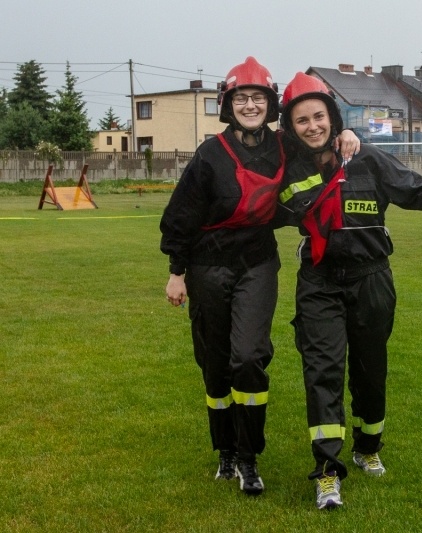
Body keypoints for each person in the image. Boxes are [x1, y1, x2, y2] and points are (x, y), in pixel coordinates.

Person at [277, 72, 422, 510]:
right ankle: (326, 471)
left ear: (333, 118)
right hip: (318, 282)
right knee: (323, 373)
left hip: (372, 278)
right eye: (302, 120)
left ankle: (368, 446)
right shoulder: (285, 170)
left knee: (371, 370)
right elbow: (247, 200)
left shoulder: (369, 159)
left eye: (319, 116)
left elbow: (418, 190)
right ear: (291, 128)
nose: (313, 126)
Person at [159, 57, 359, 496]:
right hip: (206, 265)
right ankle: (225, 451)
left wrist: (347, 133)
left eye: (259, 98)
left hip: (256, 263)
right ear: (228, 105)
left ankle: (249, 458)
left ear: (271, 105)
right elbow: (179, 216)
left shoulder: (285, 145)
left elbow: (320, 143)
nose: (250, 105)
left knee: (248, 357)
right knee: (215, 364)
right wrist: (177, 272)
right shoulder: (210, 155)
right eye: (242, 98)